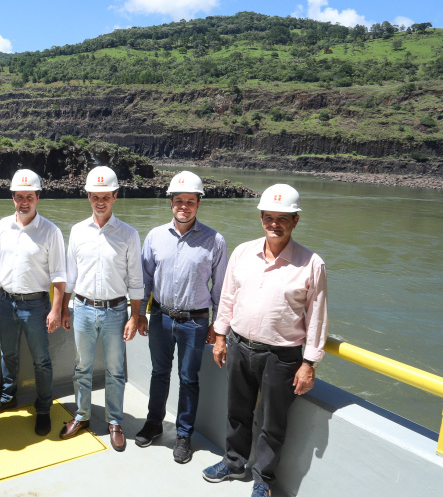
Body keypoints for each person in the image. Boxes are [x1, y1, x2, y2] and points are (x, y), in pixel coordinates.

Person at [202, 184, 328, 497]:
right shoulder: (243, 252)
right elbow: (228, 297)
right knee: (237, 412)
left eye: (282, 218)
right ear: (261, 218)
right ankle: (234, 462)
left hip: (282, 356)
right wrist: (220, 336)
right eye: (269, 217)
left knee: (272, 423)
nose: (275, 223)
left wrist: (309, 362)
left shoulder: (311, 264)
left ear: (295, 221)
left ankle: (263, 481)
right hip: (240, 346)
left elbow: (317, 317)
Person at [134, 171, 227, 464]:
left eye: (190, 201)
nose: (184, 206)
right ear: (170, 203)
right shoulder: (155, 237)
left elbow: (222, 287)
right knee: (158, 373)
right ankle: (154, 422)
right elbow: (145, 280)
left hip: (195, 322)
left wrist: (217, 325)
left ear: (199, 203)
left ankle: (184, 434)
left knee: (189, 379)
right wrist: (139, 314)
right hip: (160, 316)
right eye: (178, 200)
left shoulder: (215, 240)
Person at [59, 166, 143, 452]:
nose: (100, 201)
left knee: (115, 370)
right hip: (81, 308)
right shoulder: (77, 231)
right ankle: (82, 416)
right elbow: (70, 274)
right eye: (95, 196)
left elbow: (136, 280)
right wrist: (64, 309)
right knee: (82, 367)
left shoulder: (129, 234)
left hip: (115, 312)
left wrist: (136, 315)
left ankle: (115, 421)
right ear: (88, 197)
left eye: (105, 195)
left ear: (115, 196)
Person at [0, 169, 66, 437]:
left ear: (38, 198)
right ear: (13, 198)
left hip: (36, 305)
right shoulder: (2, 226)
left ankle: (43, 408)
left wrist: (55, 309)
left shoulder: (50, 231)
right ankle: (8, 397)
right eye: (19, 196)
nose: (24, 201)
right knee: (9, 354)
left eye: (29, 196)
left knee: (41, 361)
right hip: (6, 302)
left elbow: (59, 276)